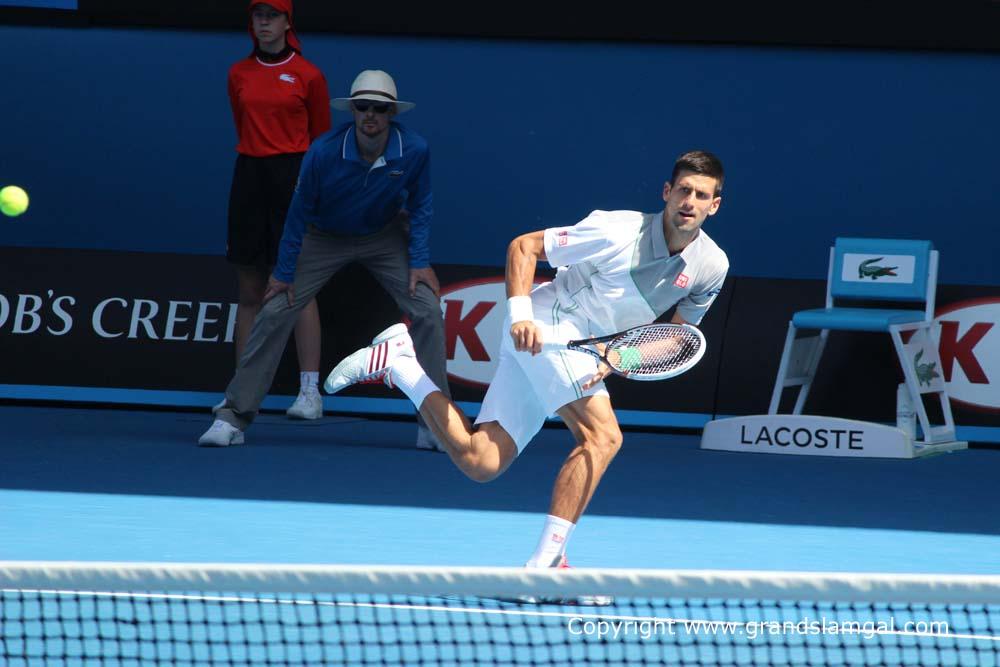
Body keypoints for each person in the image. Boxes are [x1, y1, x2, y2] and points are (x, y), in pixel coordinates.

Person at [324, 151, 729, 573]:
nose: (689, 201)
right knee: (603, 437)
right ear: (667, 192)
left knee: (481, 461)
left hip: (586, 348)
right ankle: (546, 563)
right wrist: (519, 316)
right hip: (549, 325)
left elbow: (676, 335)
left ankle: (401, 365)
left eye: (701, 195)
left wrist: (623, 355)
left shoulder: (711, 266)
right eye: (683, 190)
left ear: (714, 205)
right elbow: (524, 247)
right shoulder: (618, 230)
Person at [199, 69, 451, 449]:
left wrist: (418, 260)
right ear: (352, 110)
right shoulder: (324, 151)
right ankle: (233, 416)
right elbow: (298, 214)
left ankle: (434, 425)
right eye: (363, 107)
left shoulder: (414, 150)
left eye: (379, 108)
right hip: (323, 237)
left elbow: (422, 205)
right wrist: (283, 273)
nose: (371, 115)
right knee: (275, 310)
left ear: (391, 114)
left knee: (428, 310)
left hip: (383, 237)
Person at [226, 0, 331, 420]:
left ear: (288, 23)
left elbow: (321, 140)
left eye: (272, 16)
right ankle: (241, 393)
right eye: (258, 16)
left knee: (298, 287)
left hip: (295, 178)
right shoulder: (238, 73)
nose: (265, 23)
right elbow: (243, 124)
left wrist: (314, 192)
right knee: (250, 291)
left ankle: (310, 393)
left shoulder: (308, 75)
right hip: (250, 176)